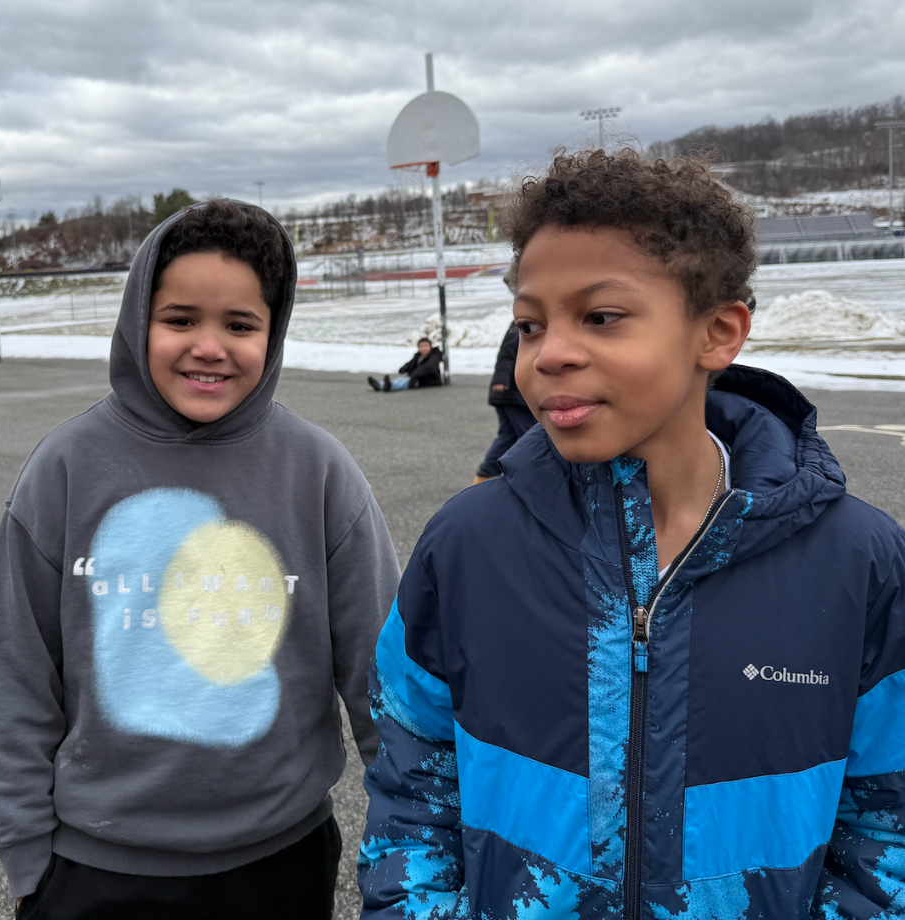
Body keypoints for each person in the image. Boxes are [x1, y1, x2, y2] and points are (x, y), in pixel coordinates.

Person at [358, 150, 905, 918]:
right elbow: (411, 786)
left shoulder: (860, 561)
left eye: (602, 316)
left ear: (717, 332)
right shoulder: (465, 547)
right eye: (529, 324)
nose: (549, 354)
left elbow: (887, 818)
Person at [0, 199, 401, 920]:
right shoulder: (64, 470)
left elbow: (382, 678)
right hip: (93, 870)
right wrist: (27, 859)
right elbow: (12, 677)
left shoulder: (319, 472)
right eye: (180, 319)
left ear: (272, 334)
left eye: (239, 325)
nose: (209, 346)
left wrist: (412, 835)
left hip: (279, 860)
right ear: (138, 319)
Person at [473, 321, 537, 484]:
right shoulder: (523, 322)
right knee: (531, 436)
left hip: (511, 394)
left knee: (508, 436)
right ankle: (533, 476)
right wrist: (501, 380)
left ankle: (485, 476)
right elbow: (507, 353)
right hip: (510, 393)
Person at [368, 337, 442, 391]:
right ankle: (380, 385)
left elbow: (428, 367)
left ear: (430, 347)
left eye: (426, 346)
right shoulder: (418, 356)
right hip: (415, 378)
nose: (424, 348)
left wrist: (414, 375)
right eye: (421, 347)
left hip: (427, 381)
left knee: (404, 383)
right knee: (400, 380)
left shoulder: (434, 357)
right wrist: (404, 368)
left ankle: (389, 387)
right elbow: (411, 363)